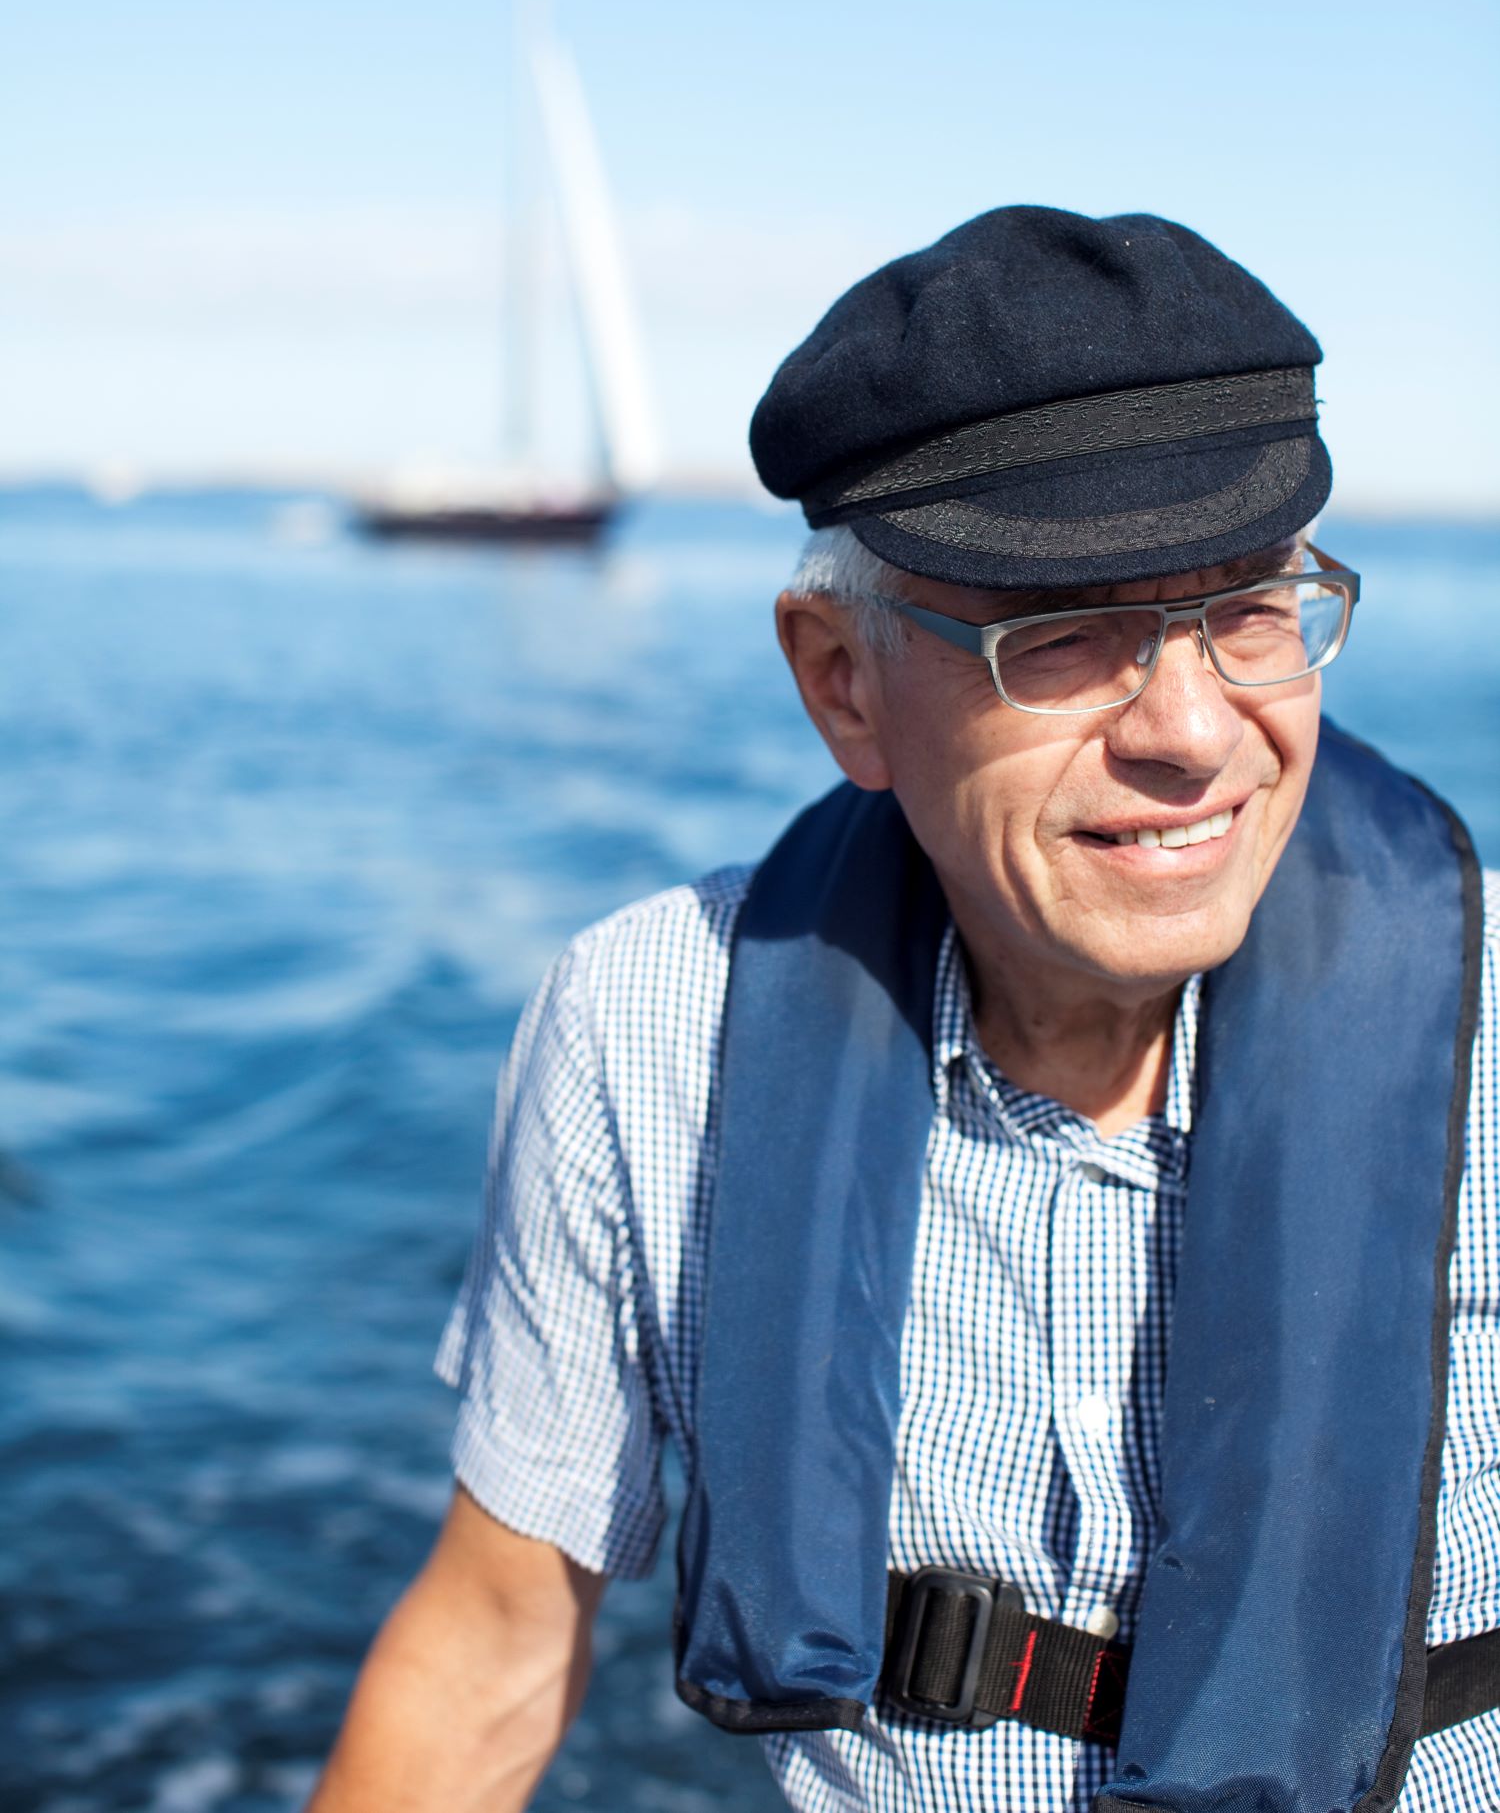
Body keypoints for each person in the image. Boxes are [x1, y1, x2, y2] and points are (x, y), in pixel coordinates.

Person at [309, 207, 1500, 1813]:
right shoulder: (648, 1035)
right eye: (1062, 636)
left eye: (1249, 609)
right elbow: (493, 1648)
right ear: (842, 682)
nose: (1194, 731)